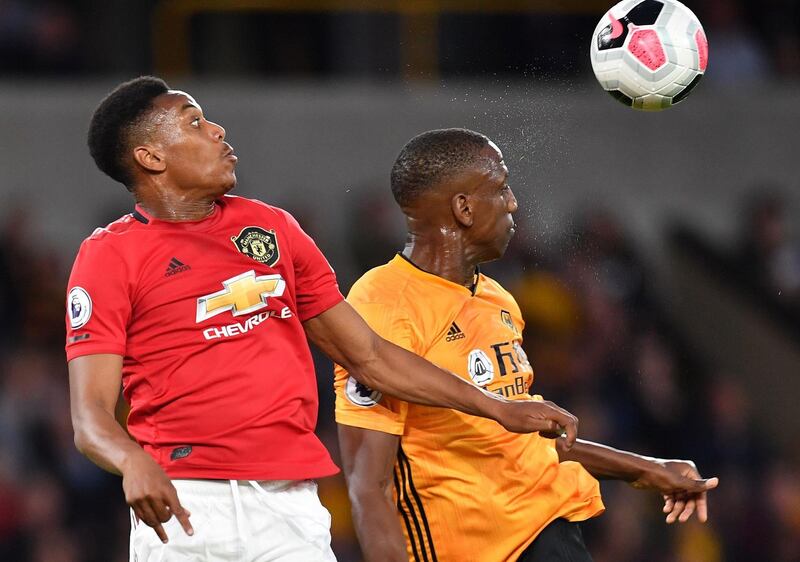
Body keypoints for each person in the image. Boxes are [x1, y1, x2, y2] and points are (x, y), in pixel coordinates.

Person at [65, 78, 581, 561]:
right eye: (194, 122)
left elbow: (370, 356)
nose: (218, 130)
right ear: (150, 156)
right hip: (187, 507)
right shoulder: (109, 256)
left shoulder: (271, 228)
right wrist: (132, 460)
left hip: (291, 509)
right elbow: (90, 417)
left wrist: (493, 406)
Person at [334, 128, 720, 562]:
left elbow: (525, 441)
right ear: (463, 208)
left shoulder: (498, 299)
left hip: (551, 532)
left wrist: (648, 469)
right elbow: (370, 485)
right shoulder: (383, 303)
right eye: (500, 188)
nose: (513, 203)